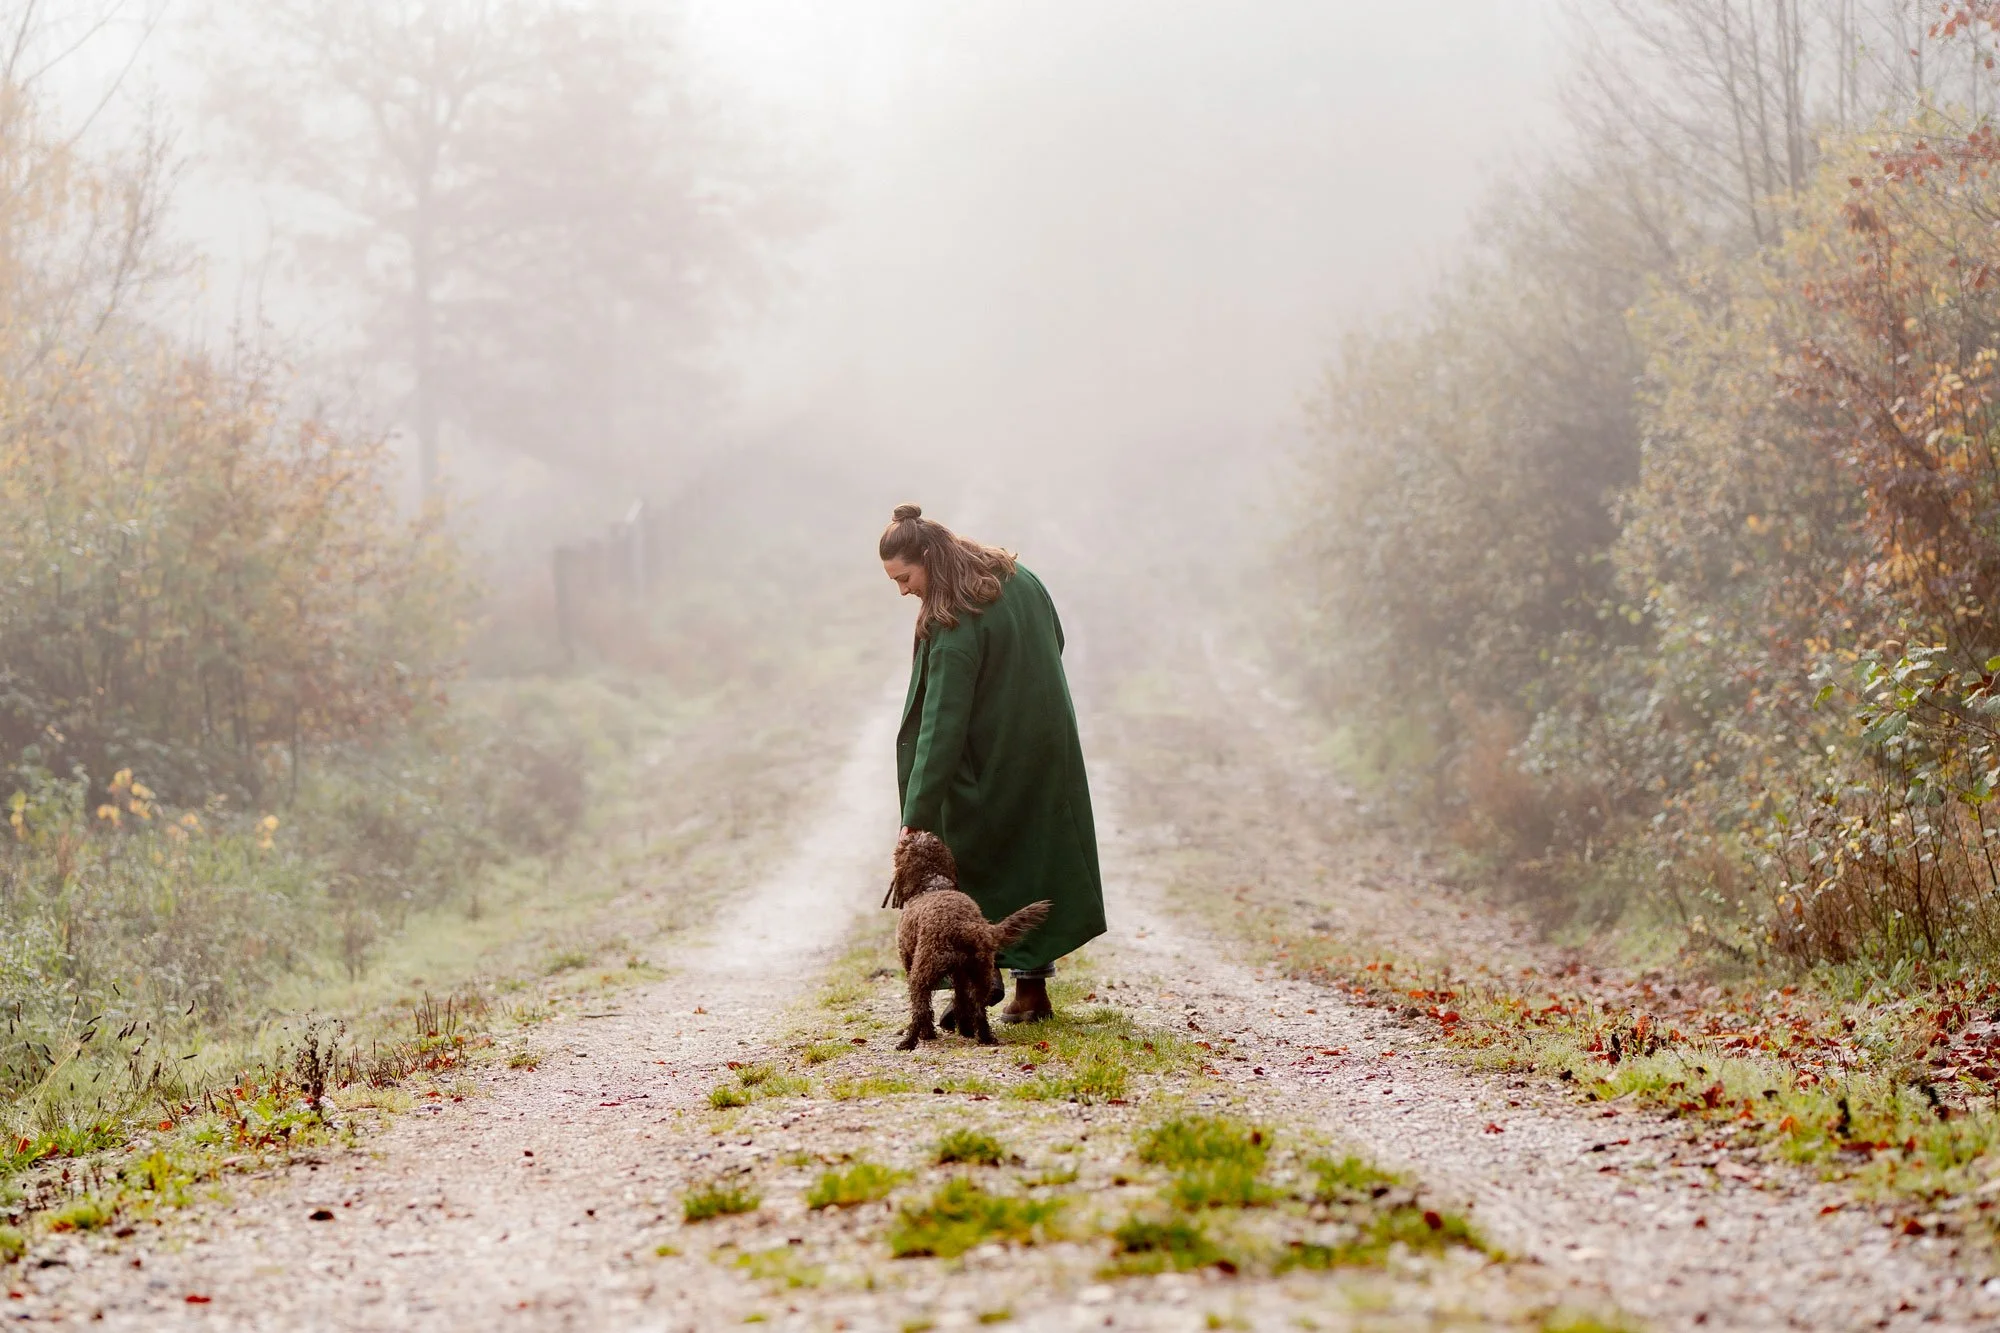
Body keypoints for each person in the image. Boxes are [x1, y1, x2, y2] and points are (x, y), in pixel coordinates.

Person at [880, 503, 1105, 1023]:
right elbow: (1057, 640)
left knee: (981, 860)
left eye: (905, 577)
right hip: (1045, 747)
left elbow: (942, 722)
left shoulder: (956, 620)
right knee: (1036, 858)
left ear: (930, 556)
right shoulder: (1019, 576)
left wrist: (917, 811)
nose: (903, 590)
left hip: (992, 756)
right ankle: (1027, 991)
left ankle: (985, 987)